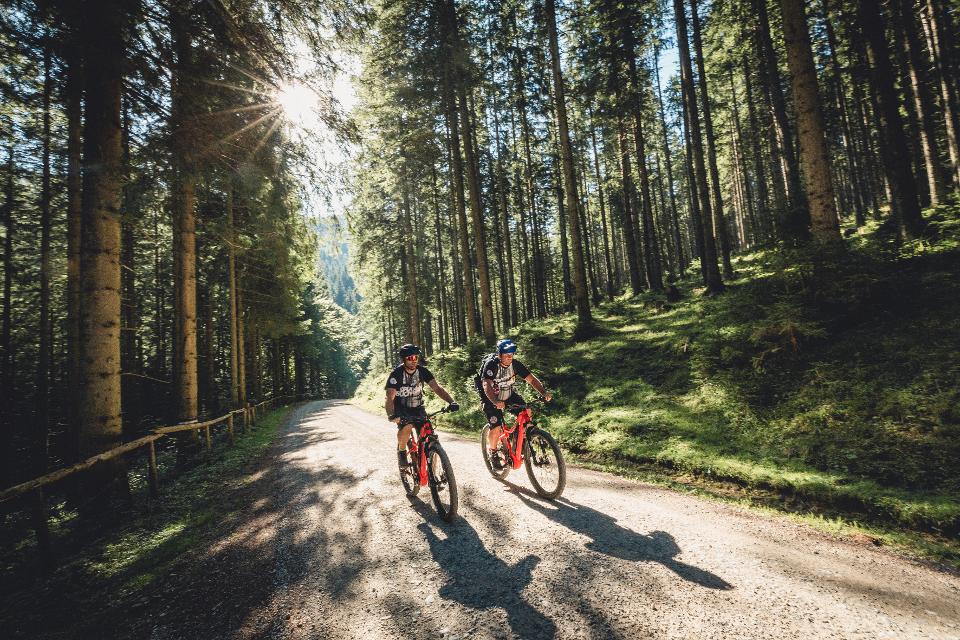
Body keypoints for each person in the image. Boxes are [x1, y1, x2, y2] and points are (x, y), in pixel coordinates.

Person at [475, 339, 552, 470]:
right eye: (506, 354)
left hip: (508, 393)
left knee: (526, 412)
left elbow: (531, 379)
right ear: (499, 354)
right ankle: (493, 453)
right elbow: (486, 384)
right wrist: (495, 402)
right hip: (490, 397)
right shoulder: (491, 364)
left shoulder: (515, 364)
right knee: (496, 427)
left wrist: (544, 392)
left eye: (511, 354)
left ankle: (520, 440)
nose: (509, 357)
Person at [385, 343, 458, 468]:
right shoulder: (396, 374)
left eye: (415, 358)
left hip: (418, 407)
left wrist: (451, 402)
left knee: (429, 437)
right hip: (401, 409)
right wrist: (391, 415)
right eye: (410, 358)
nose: (413, 361)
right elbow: (389, 398)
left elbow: (437, 388)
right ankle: (402, 452)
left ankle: (433, 474)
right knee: (406, 427)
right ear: (403, 359)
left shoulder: (423, 371)